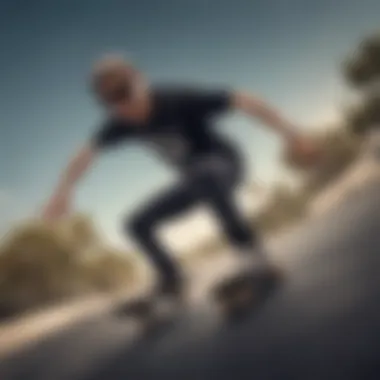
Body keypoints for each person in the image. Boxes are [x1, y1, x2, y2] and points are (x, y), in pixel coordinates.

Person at [42, 55, 318, 312]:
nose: (120, 106)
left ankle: (258, 262)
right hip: (194, 181)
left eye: (123, 93)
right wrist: (63, 192)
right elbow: (85, 153)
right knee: (135, 224)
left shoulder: (178, 99)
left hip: (224, 166)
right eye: (108, 101)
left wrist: (292, 135)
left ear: (140, 80)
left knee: (204, 173)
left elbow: (245, 100)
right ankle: (173, 281)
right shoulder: (119, 123)